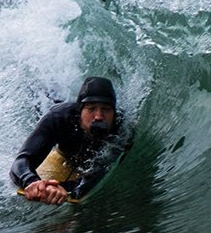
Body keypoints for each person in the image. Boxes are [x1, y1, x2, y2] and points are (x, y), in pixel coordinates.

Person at [10, 76, 126, 205]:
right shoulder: (59, 119)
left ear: (114, 114)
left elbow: (96, 177)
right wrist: (33, 183)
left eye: (106, 109)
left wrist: (64, 189)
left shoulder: (121, 130)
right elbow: (21, 162)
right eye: (91, 109)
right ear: (80, 111)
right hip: (60, 134)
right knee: (44, 101)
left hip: (85, 165)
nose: (98, 116)